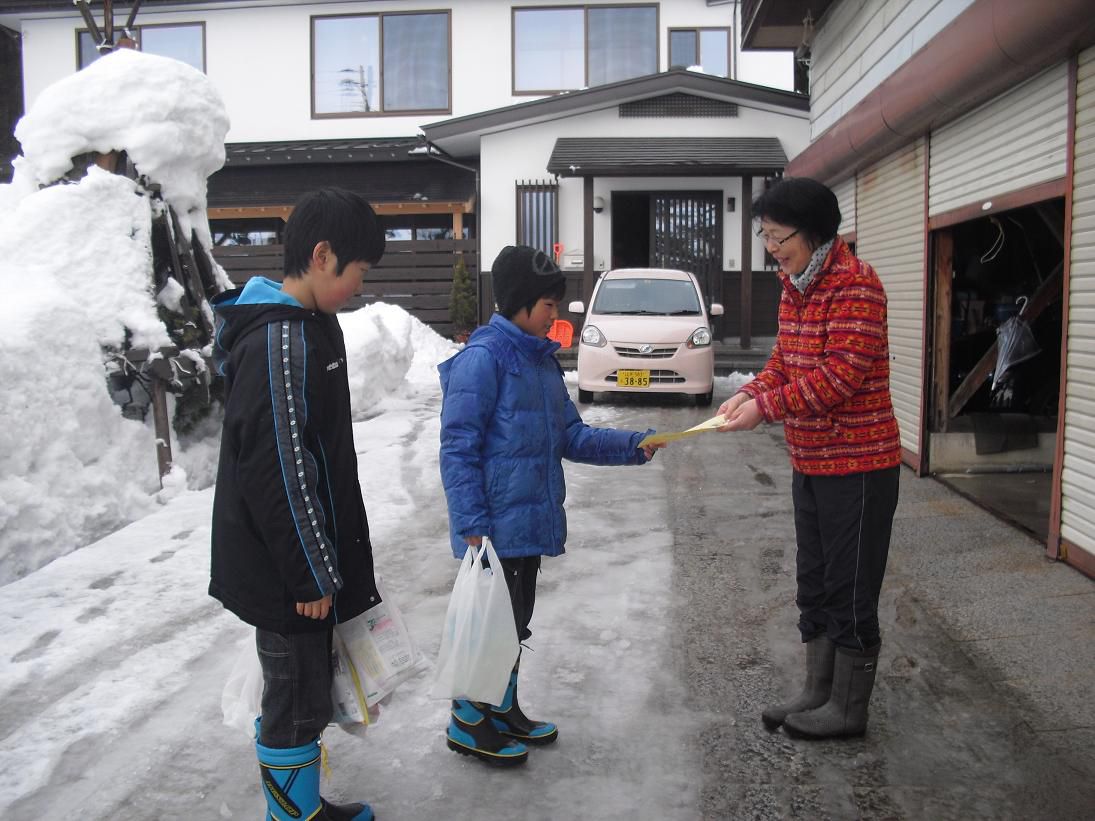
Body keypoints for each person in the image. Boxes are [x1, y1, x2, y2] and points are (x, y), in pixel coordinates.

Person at [438, 244, 665, 766]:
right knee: (488, 625)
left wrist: (634, 446)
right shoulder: (483, 359)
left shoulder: (539, 362)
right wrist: (470, 521)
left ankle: (503, 708)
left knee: (516, 620)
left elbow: (573, 436)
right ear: (518, 303)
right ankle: (468, 721)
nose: (554, 315)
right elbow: (458, 446)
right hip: (493, 528)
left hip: (529, 521)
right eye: (547, 304)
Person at [209, 188, 385, 820]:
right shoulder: (281, 342)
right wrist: (310, 570)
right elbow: (280, 469)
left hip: (299, 563)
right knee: (291, 698)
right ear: (322, 254)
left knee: (309, 693)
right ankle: (291, 816)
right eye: (359, 273)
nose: (359, 288)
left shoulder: (309, 328)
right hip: (285, 572)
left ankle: (302, 808)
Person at [717, 177, 901, 740]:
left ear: (816, 230)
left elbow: (838, 377)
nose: (772, 247)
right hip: (812, 462)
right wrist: (753, 391)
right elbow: (785, 363)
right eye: (765, 236)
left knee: (850, 586)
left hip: (860, 465)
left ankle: (848, 710)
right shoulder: (794, 283)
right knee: (816, 580)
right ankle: (818, 690)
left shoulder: (855, 284)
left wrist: (768, 407)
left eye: (779, 236)